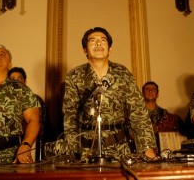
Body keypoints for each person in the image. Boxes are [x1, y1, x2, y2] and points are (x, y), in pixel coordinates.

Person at [63, 27, 157, 162]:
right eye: (92, 41)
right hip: (86, 151)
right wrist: (73, 152)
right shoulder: (74, 76)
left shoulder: (122, 73)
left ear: (110, 48)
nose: (98, 44)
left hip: (119, 149)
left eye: (103, 40)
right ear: (84, 50)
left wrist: (147, 147)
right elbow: (70, 118)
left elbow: (138, 113)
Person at [8, 67, 46, 162]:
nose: (16, 81)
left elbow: (40, 126)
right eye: (12, 79)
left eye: (19, 78)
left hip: (29, 144)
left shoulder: (35, 99)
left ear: (25, 81)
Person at [142, 81, 185, 148]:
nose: (150, 91)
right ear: (143, 94)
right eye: (147, 89)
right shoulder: (137, 113)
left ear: (157, 94)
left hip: (161, 149)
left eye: (153, 89)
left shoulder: (165, 113)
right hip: (143, 148)